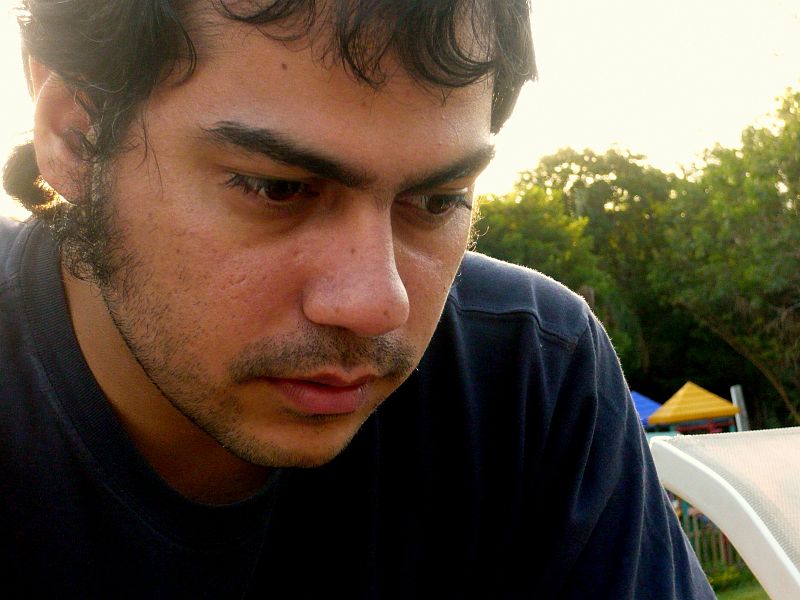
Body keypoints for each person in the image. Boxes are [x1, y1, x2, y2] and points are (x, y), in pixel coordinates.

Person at [0, 1, 715, 597]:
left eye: (437, 200)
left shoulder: (531, 376)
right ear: (75, 136)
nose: (378, 305)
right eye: (278, 188)